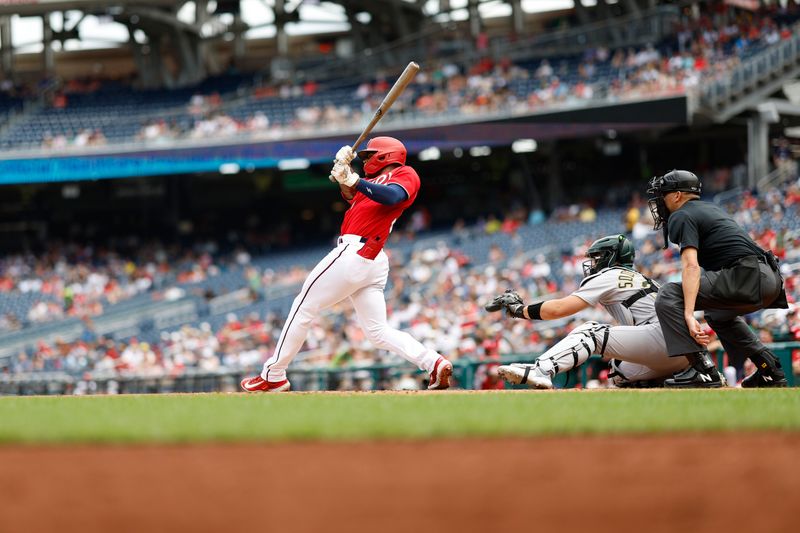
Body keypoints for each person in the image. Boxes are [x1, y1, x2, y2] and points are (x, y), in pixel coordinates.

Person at [240, 137, 453, 392]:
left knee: (303, 306)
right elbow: (355, 198)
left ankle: (273, 373)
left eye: (368, 156)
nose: (365, 161)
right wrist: (344, 174)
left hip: (357, 251)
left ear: (385, 156)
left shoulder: (405, 173)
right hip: (369, 259)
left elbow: (394, 196)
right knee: (377, 332)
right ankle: (433, 362)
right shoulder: (371, 184)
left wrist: (354, 179)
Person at [485, 234, 687, 389]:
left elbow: (558, 309)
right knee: (620, 370)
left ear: (610, 257)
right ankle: (673, 383)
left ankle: (541, 370)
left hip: (661, 339)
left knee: (590, 332)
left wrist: (520, 310)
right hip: (684, 353)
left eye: (597, 257)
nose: (592, 262)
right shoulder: (645, 279)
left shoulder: (610, 274)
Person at [646, 170, 788, 388]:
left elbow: (691, 266)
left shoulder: (681, 214)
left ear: (676, 196)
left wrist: (688, 313)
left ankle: (702, 370)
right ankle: (769, 369)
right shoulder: (710, 209)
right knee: (718, 314)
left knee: (668, 295)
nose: (660, 202)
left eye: (662, 194)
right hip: (769, 278)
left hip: (747, 276)